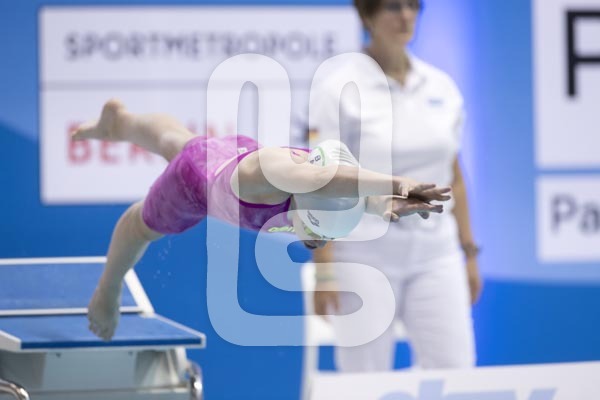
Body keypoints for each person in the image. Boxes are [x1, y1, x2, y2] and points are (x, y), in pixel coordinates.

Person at [73, 99, 451, 341]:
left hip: (224, 152)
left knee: (177, 140)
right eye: (316, 233)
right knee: (140, 227)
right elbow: (326, 180)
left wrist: (381, 204)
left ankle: (120, 123)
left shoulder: (316, 188)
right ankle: (107, 290)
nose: (317, 244)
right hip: (194, 185)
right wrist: (396, 182)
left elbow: (340, 190)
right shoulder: (269, 176)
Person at [308, 0, 481, 371]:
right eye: (392, 7)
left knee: (455, 370)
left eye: (412, 6)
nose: (405, 16)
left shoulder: (441, 86)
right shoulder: (338, 88)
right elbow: (321, 183)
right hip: (364, 254)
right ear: (367, 16)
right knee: (364, 379)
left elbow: (454, 175)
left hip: (437, 254)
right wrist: (323, 271)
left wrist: (469, 252)